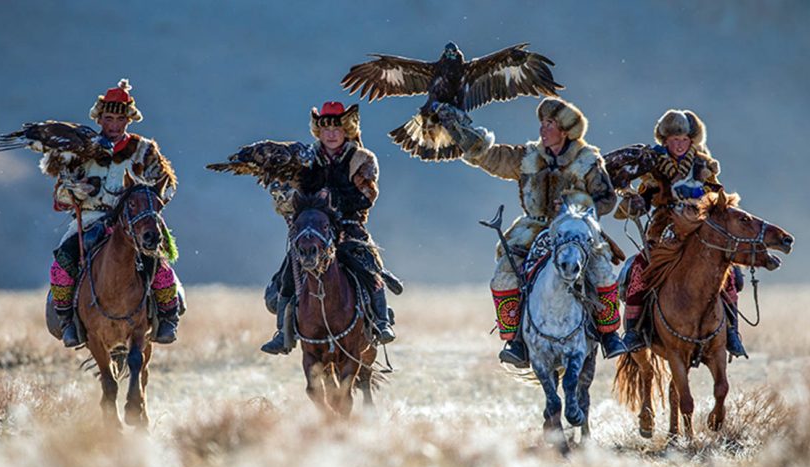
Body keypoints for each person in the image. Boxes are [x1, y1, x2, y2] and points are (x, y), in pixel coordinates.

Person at [436, 97, 627, 366]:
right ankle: (514, 340)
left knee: (603, 272)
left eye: (549, 124)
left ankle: (609, 334)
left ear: (565, 130)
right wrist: (467, 139)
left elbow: (606, 199)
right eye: (542, 123)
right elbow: (494, 157)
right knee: (504, 275)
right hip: (534, 228)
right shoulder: (528, 156)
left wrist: (577, 204)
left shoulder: (588, 160)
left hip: (576, 228)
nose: (542, 129)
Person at [258, 102, 400, 355]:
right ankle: (282, 332)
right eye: (326, 129)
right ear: (318, 132)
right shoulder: (306, 158)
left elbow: (367, 196)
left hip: (349, 226)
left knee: (369, 266)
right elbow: (297, 192)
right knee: (290, 270)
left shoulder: (362, 159)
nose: (331, 134)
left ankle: (381, 322)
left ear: (347, 129)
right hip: (313, 227)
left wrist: (333, 201)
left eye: (336, 128)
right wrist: (285, 199)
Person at [49, 79, 182, 347]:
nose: (113, 125)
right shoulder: (82, 150)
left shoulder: (145, 150)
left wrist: (149, 203)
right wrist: (78, 191)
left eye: (119, 119)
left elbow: (166, 186)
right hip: (89, 219)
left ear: (128, 120)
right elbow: (60, 194)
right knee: (63, 263)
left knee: (160, 267)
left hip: (134, 221)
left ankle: (167, 318)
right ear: (99, 118)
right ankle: (67, 322)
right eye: (108, 118)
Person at [605, 109, 746, 357]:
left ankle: (732, 331)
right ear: (665, 140)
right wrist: (636, 203)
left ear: (691, 141)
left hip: (700, 231)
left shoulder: (704, 165)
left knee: (730, 274)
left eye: (683, 140)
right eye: (674, 140)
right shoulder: (653, 165)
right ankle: (634, 332)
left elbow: (717, 200)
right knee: (639, 268)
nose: (679, 145)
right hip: (664, 228)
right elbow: (646, 196)